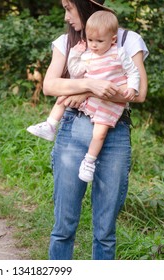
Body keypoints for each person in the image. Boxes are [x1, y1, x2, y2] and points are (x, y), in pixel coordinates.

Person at [44, 0, 149, 260]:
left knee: (105, 231)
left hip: (114, 133)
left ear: (85, 4)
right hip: (72, 130)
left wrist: (82, 89)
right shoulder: (65, 42)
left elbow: (140, 93)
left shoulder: (128, 39)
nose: (66, 16)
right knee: (63, 226)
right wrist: (91, 86)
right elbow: (49, 86)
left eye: (69, 8)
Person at [29, 10, 140, 183]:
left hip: (107, 104)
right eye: (90, 40)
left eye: (99, 41)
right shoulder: (88, 54)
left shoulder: (119, 53)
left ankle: (89, 161)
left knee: (99, 133)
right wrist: (75, 54)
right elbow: (75, 72)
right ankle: (50, 125)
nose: (94, 45)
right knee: (63, 98)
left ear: (112, 40)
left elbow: (134, 73)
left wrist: (132, 87)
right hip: (88, 100)